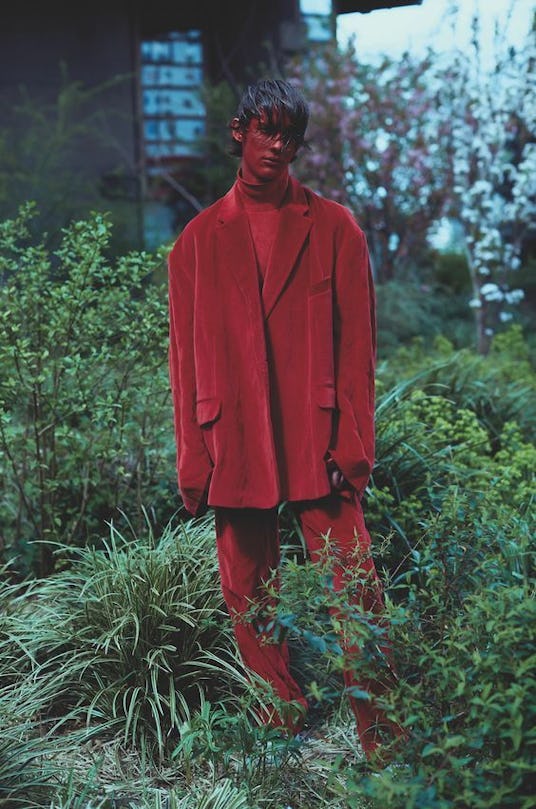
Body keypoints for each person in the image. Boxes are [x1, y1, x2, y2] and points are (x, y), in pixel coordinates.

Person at [168, 78, 403, 761]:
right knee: (245, 586)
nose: (278, 146)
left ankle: (382, 731)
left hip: (318, 432)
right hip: (232, 431)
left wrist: (353, 442)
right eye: (267, 131)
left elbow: (358, 348)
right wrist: (194, 456)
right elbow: (183, 357)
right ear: (240, 130)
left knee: (354, 577)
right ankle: (281, 713)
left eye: (291, 137)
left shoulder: (334, 225)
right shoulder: (196, 242)